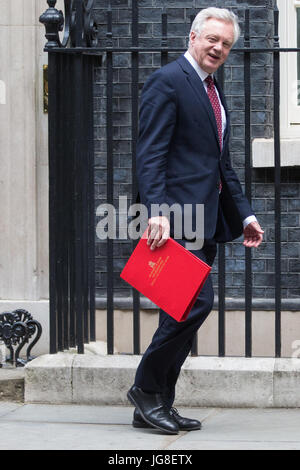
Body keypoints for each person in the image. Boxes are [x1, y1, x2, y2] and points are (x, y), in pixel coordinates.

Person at [127, 7, 264, 435]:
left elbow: (220, 163)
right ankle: (146, 391)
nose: (219, 48)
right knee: (195, 304)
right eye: (212, 40)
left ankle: (156, 403)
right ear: (192, 36)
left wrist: (245, 214)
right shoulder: (168, 81)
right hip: (175, 219)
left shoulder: (212, 90)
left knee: (181, 310)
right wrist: (158, 213)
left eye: (225, 44)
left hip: (203, 218)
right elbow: (149, 155)